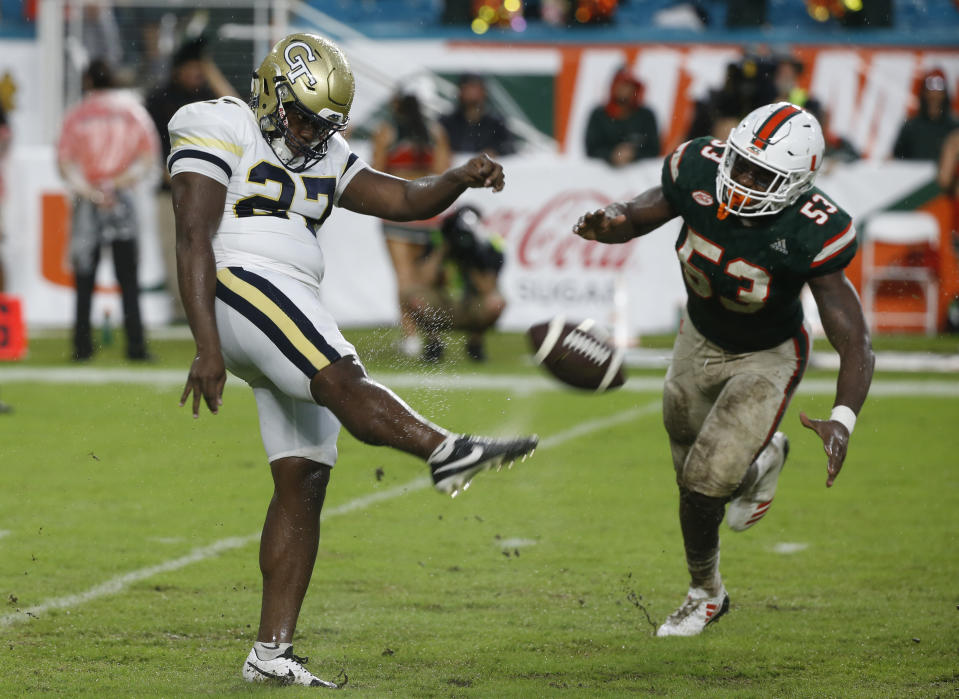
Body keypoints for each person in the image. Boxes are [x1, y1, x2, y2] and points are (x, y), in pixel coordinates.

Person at [168, 33, 538, 686]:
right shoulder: (218, 122)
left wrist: (456, 177)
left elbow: (401, 199)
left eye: (325, 124)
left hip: (286, 294)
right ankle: (443, 448)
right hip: (239, 280)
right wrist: (205, 344)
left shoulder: (327, 151)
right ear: (271, 94)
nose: (311, 134)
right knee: (340, 374)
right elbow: (194, 234)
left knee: (305, 476)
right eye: (304, 116)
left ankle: (269, 652)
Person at [573, 102, 874, 636]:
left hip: (768, 354)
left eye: (763, 174)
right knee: (691, 465)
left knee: (704, 484)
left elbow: (855, 340)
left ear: (799, 182)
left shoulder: (813, 228)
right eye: (740, 163)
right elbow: (639, 214)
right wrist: (609, 222)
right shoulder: (695, 169)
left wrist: (843, 418)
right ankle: (761, 465)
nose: (743, 179)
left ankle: (705, 592)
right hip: (696, 336)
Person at [57, 59, 160, 362]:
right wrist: (116, 184)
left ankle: (82, 346)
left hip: (88, 200)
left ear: (88, 81)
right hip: (121, 199)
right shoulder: (133, 112)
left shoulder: (77, 115)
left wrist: (90, 190)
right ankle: (136, 346)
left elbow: (65, 162)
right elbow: (146, 157)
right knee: (127, 277)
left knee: (85, 277)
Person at [146, 36, 237, 323]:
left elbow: (240, 112)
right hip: (171, 189)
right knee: (176, 249)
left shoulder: (210, 97)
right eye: (194, 67)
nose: (198, 74)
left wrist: (211, 70)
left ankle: (211, 307)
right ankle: (181, 312)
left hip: (211, 191)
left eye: (202, 68)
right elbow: (148, 143)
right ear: (178, 69)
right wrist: (170, 173)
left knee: (214, 250)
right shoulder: (159, 98)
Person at [371, 85, 451, 360]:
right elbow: (442, 172)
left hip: (397, 209)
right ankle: (433, 333)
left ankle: (411, 337)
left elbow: (376, 171)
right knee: (425, 278)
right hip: (427, 211)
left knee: (404, 277)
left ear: (396, 105)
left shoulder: (387, 131)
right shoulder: (435, 132)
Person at [406, 205, 507, 362]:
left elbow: (487, 287)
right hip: (443, 304)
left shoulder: (489, 244)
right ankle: (434, 343)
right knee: (413, 296)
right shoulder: (437, 240)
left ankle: (475, 342)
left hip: (471, 305)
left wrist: (472, 256)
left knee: (496, 303)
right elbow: (424, 280)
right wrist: (443, 249)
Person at [585, 66, 660, 166]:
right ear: (614, 87)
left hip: (639, 175)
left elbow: (654, 149)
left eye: (628, 86)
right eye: (621, 85)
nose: (624, 90)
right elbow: (591, 149)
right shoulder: (599, 115)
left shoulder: (646, 116)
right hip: (604, 174)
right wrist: (612, 155)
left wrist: (633, 154)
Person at [439, 73, 516, 157]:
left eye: (475, 87)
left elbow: (509, 148)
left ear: (483, 92)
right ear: (460, 91)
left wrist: (495, 152)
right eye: (467, 88)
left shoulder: (497, 124)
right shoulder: (446, 122)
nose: (471, 92)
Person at [893, 68, 959, 162]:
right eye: (930, 88)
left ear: (945, 93)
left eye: (939, 88)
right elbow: (896, 159)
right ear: (924, 93)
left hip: (945, 176)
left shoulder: (954, 128)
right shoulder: (910, 127)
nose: (934, 94)